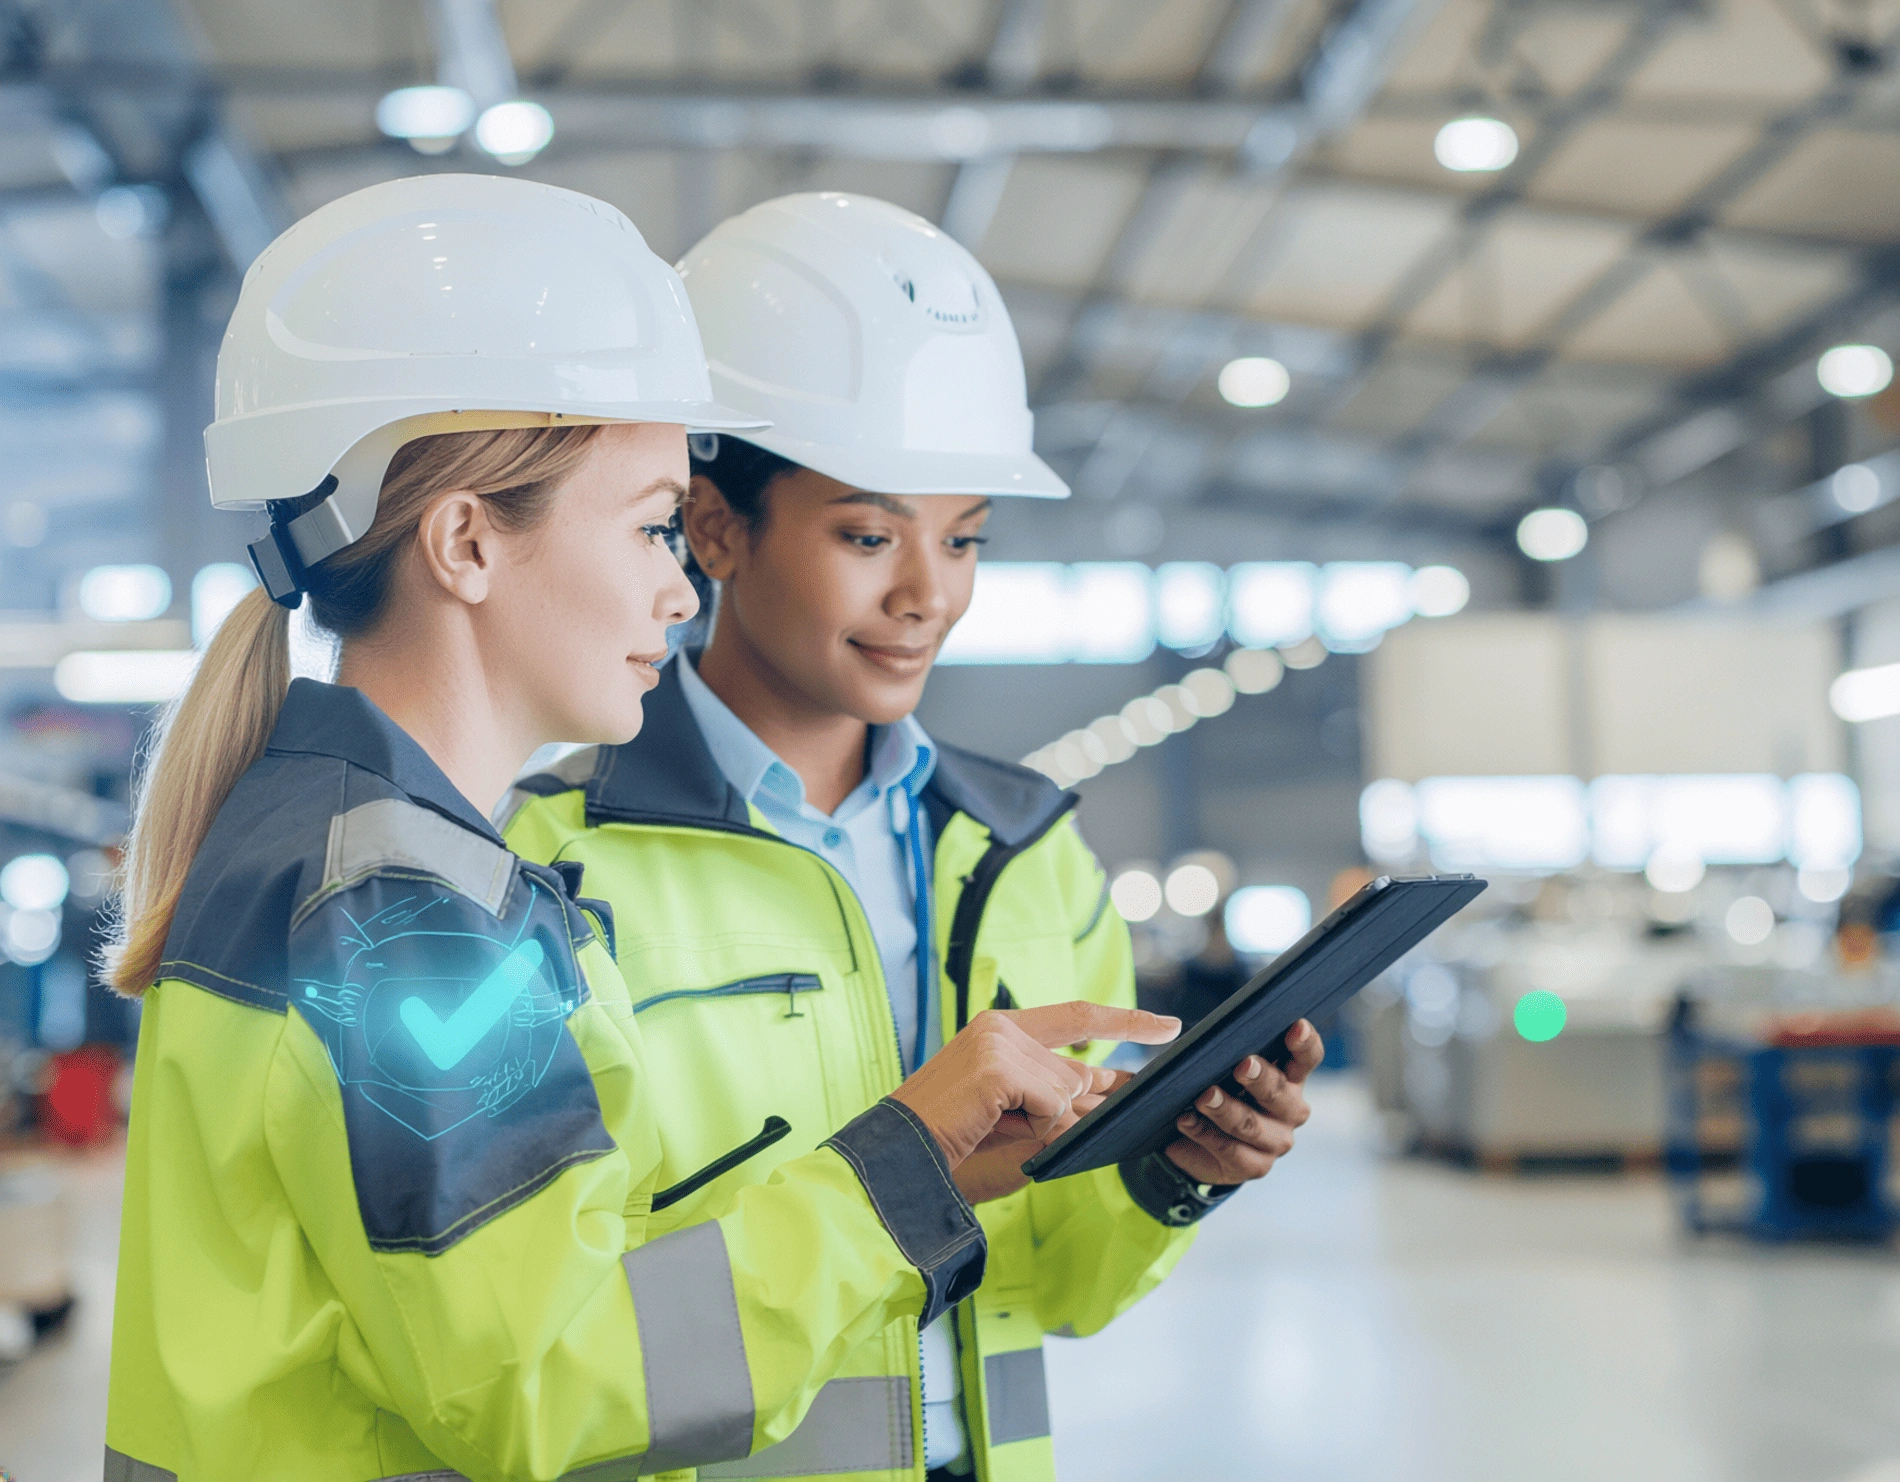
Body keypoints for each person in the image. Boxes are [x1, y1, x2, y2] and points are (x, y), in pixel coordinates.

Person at [101, 175, 1178, 1482]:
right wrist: (898, 1159)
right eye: (656, 520)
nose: (681, 583)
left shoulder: (346, 857)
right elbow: (553, 1376)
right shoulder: (410, 920)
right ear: (467, 543)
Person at [502, 193, 1324, 1482]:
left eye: (965, 540)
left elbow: (1060, 1276)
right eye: (868, 534)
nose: (927, 595)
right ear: (714, 528)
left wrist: (1177, 1170)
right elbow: (539, 1314)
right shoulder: (552, 866)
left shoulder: (1026, 848)